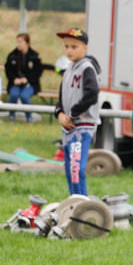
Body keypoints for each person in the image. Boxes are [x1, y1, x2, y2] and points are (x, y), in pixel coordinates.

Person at [54, 28, 100, 196]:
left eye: (74, 47)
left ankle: (82, 204)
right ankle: (74, 200)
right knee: (69, 170)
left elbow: (92, 94)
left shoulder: (87, 68)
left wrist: (73, 113)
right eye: (66, 46)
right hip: (68, 127)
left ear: (84, 48)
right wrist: (60, 114)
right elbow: (60, 99)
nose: (69, 50)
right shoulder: (68, 70)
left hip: (82, 126)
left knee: (77, 169)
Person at [4, 33, 50, 123]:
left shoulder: (35, 56)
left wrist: (27, 79)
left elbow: (38, 71)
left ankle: (29, 117)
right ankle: (11, 116)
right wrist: (14, 79)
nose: (18, 44)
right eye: (17, 42)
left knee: (24, 96)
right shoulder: (12, 55)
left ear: (27, 43)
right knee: (13, 94)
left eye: (21, 42)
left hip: (31, 84)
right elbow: (8, 70)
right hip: (15, 83)